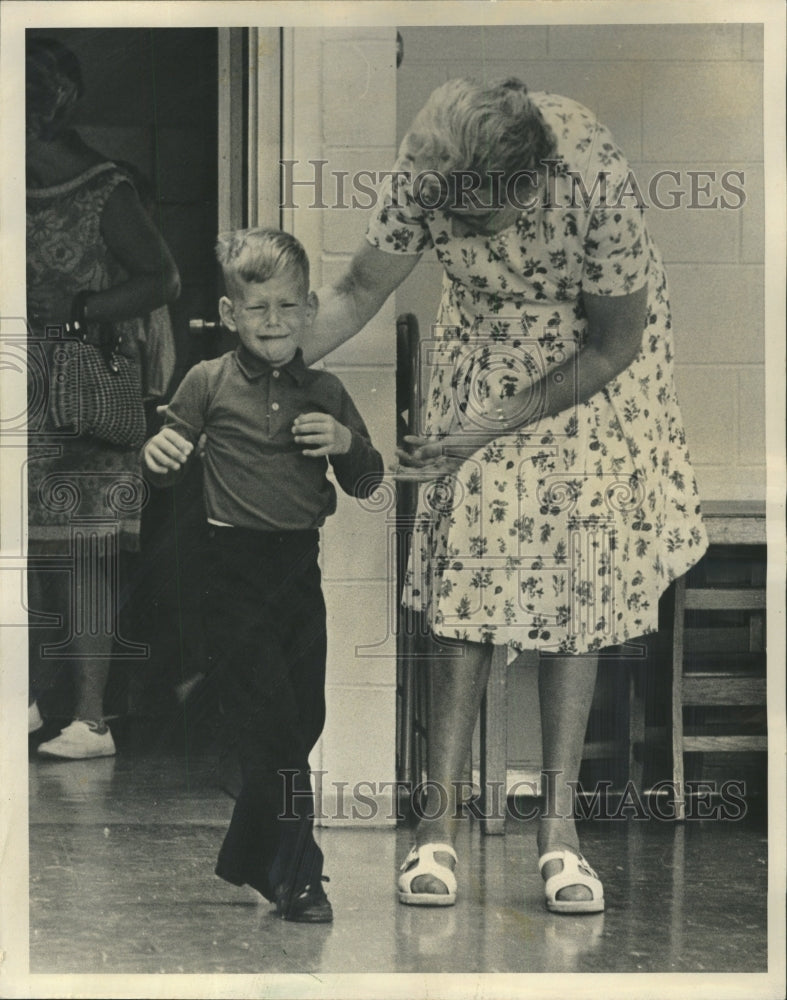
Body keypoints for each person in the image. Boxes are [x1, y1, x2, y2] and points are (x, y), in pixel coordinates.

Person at [298, 77, 709, 914]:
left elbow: (612, 344)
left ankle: (557, 835)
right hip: (483, 342)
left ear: (527, 184)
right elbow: (350, 296)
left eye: (480, 220)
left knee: (577, 587)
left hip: (591, 363)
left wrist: (487, 427)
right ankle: (436, 829)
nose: (463, 232)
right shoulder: (426, 169)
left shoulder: (589, 169)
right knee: (464, 581)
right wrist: (249, 368)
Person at [141, 227, 384, 922]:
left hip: (297, 572)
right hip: (230, 573)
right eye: (256, 309)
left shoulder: (328, 391)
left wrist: (345, 443)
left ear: (308, 308)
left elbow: (369, 483)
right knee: (275, 725)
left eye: (285, 306)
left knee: (302, 718)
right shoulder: (205, 382)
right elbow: (162, 463)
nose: (272, 322)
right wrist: (155, 454)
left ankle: (247, 857)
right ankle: (300, 879)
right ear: (229, 316)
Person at [26, 36, 180, 757]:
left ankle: (88, 719)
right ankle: (26, 699)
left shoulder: (104, 187)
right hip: (14, 387)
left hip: (77, 389)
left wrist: (84, 304)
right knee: (21, 553)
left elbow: (161, 278)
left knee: (85, 551)